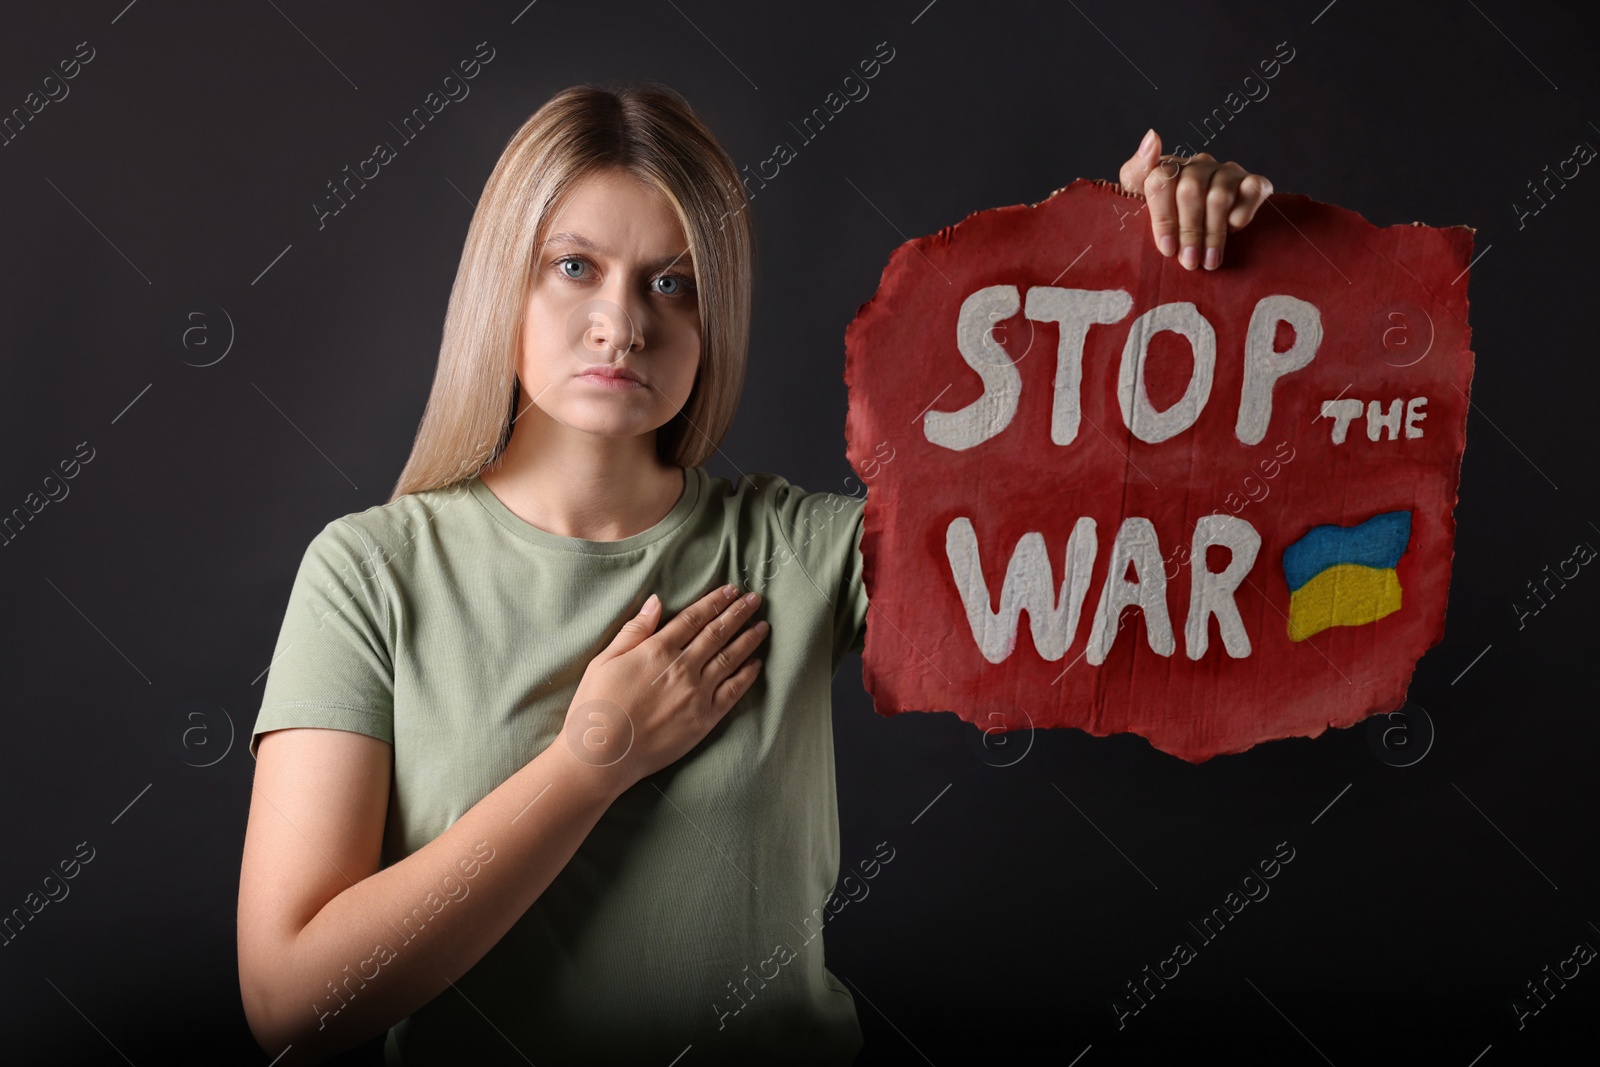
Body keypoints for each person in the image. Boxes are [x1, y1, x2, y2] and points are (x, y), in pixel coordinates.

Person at [236, 83, 1273, 1066]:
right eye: (574, 266)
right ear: (501, 280)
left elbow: (1139, 546)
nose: (623, 321)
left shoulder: (806, 551)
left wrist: (1161, 282)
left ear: (712, 315)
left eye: (671, 281)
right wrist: (592, 758)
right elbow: (291, 1003)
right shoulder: (369, 573)